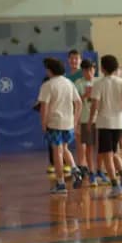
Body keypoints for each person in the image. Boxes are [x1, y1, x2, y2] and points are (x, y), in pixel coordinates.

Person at [91, 55, 122, 198]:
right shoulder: (121, 82)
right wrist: (119, 108)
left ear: (102, 68)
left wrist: (92, 119)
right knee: (114, 152)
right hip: (118, 123)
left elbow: (95, 105)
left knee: (107, 156)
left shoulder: (98, 83)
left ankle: (116, 186)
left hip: (104, 123)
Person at [38, 57, 82, 195]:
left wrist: (43, 123)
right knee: (65, 148)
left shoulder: (48, 85)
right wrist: (75, 120)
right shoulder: (69, 83)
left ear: (50, 70)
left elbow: (43, 107)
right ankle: (75, 169)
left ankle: (61, 183)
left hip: (55, 123)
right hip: (68, 123)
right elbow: (79, 103)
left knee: (57, 153)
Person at [73, 59, 99, 185]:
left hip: (100, 119)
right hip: (85, 120)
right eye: (86, 70)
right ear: (82, 71)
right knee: (88, 147)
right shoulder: (78, 83)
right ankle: (91, 172)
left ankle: (101, 171)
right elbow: (75, 103)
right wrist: (85, 95)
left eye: (91, 69)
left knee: (103, 149)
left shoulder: (99, 82)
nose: (89, 72)